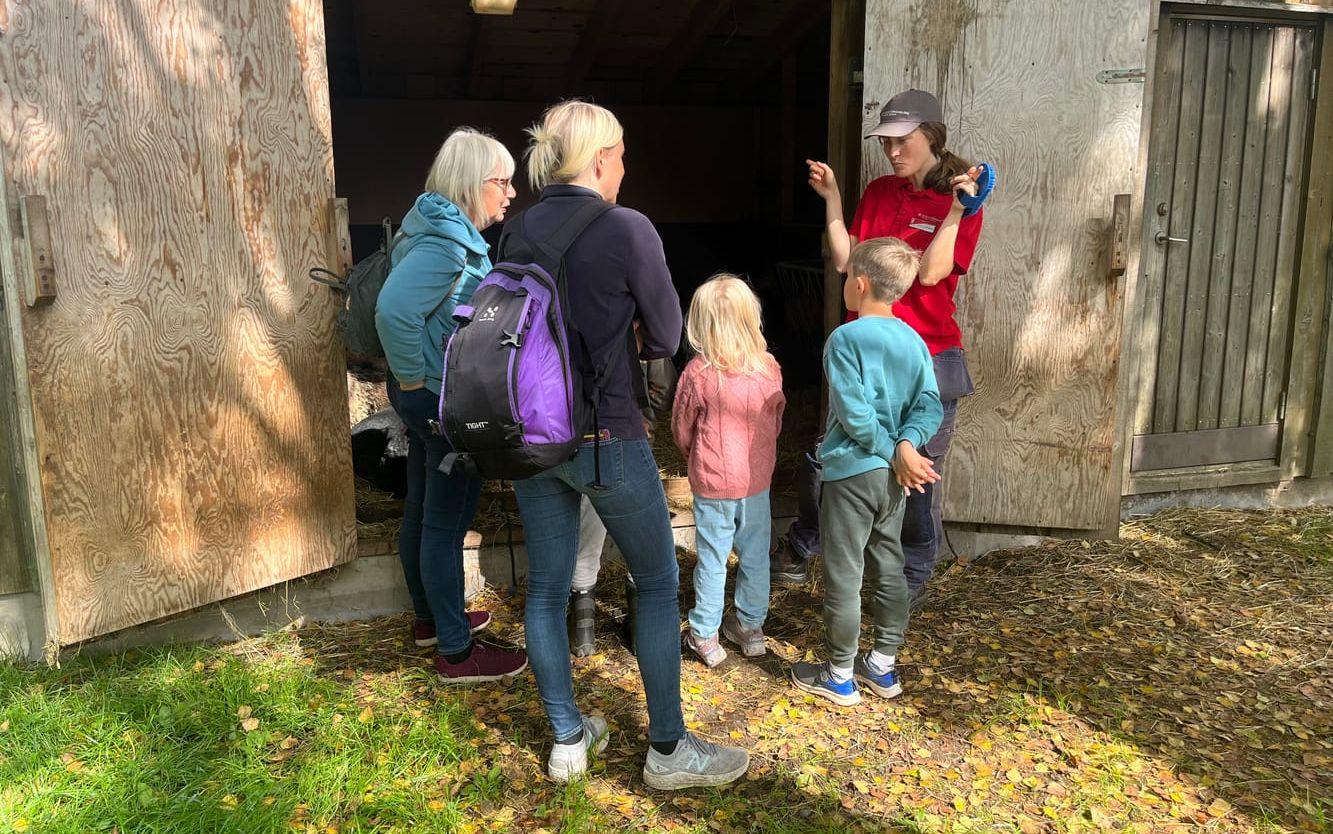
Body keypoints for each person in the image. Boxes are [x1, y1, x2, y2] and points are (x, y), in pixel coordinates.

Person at [505, 100, 749, 788]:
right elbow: (669, 337)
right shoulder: (626, 227)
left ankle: (567, 741)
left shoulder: (516, 230)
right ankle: (669, 752)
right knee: (656, 581)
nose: (624, 168)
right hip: (606, 435)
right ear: (603, 158)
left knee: (546, 592)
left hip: (531, 438)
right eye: (622, 156)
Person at [774, 89, 984, 608]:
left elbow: (933, 273)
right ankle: (809, 542)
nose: (892, 151)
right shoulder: (881, 191)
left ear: (931, 136)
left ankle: (909, 579)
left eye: (902, 141)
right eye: (886, 142)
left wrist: (957, 211)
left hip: (928, 357)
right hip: (866, 355)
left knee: (917, 476)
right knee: (831, 458)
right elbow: (849, 262)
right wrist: (834, 199)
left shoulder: (960, 200)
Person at [374, 128, 529, 683]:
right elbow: (393, 313)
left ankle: (430, 622)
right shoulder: (445, 246)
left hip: (424, 395)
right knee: (446, 521)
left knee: (421, 510)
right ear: (471, 183)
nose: (511, 193)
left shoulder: (432, 229)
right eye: (501, 182)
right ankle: (458, 654)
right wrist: (417, 386)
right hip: (439, 399)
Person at [790, 238, 942, 706]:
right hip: (894, 479)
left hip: (853, 473)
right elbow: (930, 405)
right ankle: (882, 665)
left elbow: (854, 416)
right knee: (889, 563)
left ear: (859, 283)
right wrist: (906, 444)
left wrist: (891, 449)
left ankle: (838, 674)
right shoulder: (914, 340)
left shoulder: (845, 338)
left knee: (844, 572)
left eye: (846, 279)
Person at [672, 275, 785, 667]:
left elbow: (682, 428)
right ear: (750, 318)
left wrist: (696, 456)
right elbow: (778, 419)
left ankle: (704, 634)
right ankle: (751, 628)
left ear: (700, 324)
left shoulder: (699, 373)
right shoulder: (769, 368)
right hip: (756, 481)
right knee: (755, 556)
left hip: (713, 481)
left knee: (713, 558)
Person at [568, 354, 678, 658]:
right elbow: (664, 386)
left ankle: (583, 630)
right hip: (633, 437)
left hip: (583, 435)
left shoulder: (567, 313)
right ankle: (641, 631)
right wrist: (644, 412)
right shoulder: (637, 318)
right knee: (642, 537)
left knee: (588, 523)